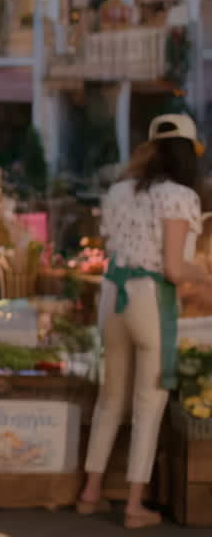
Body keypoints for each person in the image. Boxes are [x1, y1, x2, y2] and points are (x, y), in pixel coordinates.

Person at [79, 113, 212, 528]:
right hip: (149, 297)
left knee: (109, 399)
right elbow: (174, 268)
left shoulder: (119, 191)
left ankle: (90, 493)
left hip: (112, 294)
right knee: (148, 404)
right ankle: (135, 506)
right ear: (189, 156)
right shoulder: (179, 197)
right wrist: (204, 273)